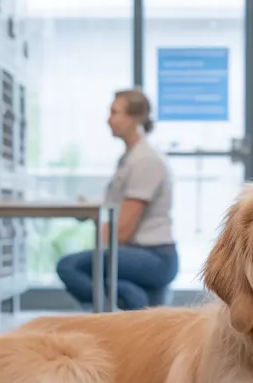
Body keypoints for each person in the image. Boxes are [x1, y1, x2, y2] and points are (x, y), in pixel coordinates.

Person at [56, 89, 179, 311]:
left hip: (154, 256)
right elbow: (116, 204)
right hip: (139, 253)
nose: (109, 119)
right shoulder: (130, 157)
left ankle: (124, 308)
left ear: (133, 119)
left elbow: (122, 231)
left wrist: (97, 248)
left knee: (70, 267)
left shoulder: (145, 160)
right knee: (107, 276)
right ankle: (135, 298)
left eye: (114, 112)